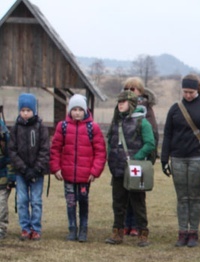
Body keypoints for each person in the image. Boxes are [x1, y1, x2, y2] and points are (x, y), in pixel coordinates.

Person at [161, 74, 200, 247]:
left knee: (194, 197)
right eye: (185, 92)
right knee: (181, 198)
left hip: (197, 158)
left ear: (197, 90)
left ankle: (193, 232)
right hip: (178, 157)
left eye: (191, 92)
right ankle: (182, 232)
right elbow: (168, 134)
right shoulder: (175, 109)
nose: (188, 95)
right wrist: (164, 159)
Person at [49, 94, 107, 242]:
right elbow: (55, 148)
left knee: (83, 201)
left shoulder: (92, 128)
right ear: (69, 111)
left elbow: (100, 152)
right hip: (67, 174)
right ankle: (72, 229)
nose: (77, 112)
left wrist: (95, 171)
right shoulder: (62, 127)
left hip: (85, 175)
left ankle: (83, 229)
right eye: (74, 109)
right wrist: (56, 168)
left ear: (85, 110)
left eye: (80, 109)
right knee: (70, 202)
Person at [104, 90, 155, 247]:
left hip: (134, 169)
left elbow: (150, 144)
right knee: (118, 202)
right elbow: (110, 142)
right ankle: (117, 232)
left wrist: (136, 159)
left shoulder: (142, 122)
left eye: (124, 102)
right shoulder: (115, 123)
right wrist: (109, 157)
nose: (120, 104)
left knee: (138, 202)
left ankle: (143, 234)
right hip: (118, 167)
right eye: (119, 102)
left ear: (131, 104)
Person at [8, 93, 49, 241]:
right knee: (22, 200)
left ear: (34, 111)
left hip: (37, 172)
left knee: (36, 201)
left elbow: (45, 150)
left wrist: (36, 169)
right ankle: (25, 228)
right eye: (23, 110)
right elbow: (12, 150)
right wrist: (24, 169)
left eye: (28, 110)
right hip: (21, 172)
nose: (25, 113)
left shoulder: (41, 128)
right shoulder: (15, 129)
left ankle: (35, 228)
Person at [121, 76, 159, 237]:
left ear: (140, 91)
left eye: (133, 89)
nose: (130, 92)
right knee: (125, 193)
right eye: (127, 89)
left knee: (137, 193)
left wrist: (145, 157)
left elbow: (153, 135)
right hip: (125, 158)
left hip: (140, 159)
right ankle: (125, 224)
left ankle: (137, 224)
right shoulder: (122, 108)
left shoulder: (146, 110)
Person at [0, 114, 13, 240]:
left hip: (3, 179)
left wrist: (11, 178)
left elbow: (10, 159)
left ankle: (1, 228)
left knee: (1, 205)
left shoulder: (5, 136)